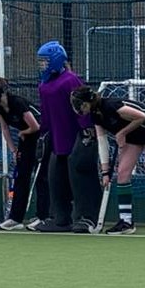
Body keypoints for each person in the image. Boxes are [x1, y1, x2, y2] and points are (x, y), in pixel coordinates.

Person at [71, 85, 145, 235]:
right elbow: (102, 142)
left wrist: (122, 133)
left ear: (87, 102)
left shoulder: (111, 105)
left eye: (80, 104)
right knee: (123, 174)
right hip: (133, 136)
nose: (78, 108)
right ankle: (126, 222)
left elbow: (142, 116)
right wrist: (105, 172)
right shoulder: (95, 116)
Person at [31, 41, 99, 233]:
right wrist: (42, 134)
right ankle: (61, 219)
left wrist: (87, 130)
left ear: (55, 60)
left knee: (80, 177)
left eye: (44, 61)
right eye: (40, 61)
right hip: (57, 140)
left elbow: (83, 105)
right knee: (55, 178)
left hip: (78, 137)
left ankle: (86, 218)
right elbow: (46, 114)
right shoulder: (44, 85)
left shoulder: (70, 80)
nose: (41, 65)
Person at [0, 77, 49, 230]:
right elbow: (5, 128)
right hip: (26, 137)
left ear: (2, 92)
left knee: (40, 177)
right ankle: (15, 218)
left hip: (42, 136)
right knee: (21, 177)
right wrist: (13, 150)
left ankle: (43, 217)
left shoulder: (17, 103)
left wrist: (23, 132)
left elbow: (36, 126)